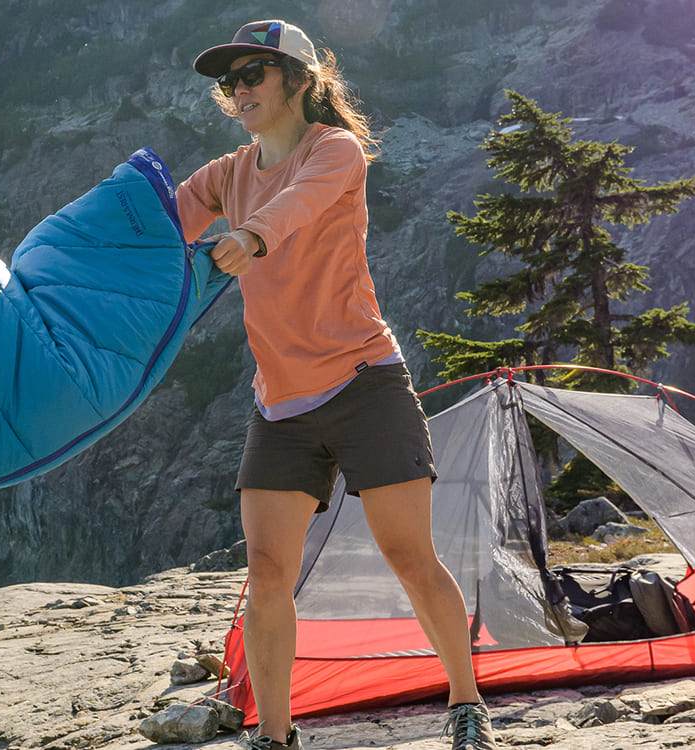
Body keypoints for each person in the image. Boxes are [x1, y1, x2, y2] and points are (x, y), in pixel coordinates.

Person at [173, 20, 494, 750]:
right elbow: (159, 222)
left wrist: (250, 237)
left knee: (410, 556)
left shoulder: (335, 150)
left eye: (255, 72)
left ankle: (467, 703)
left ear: (299, 79)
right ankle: (275, 736)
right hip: (280, 402)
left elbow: (297, 208)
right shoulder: (225, 174)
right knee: (266, 571)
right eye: (230, 81)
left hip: (363, 382)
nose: (240, 89)